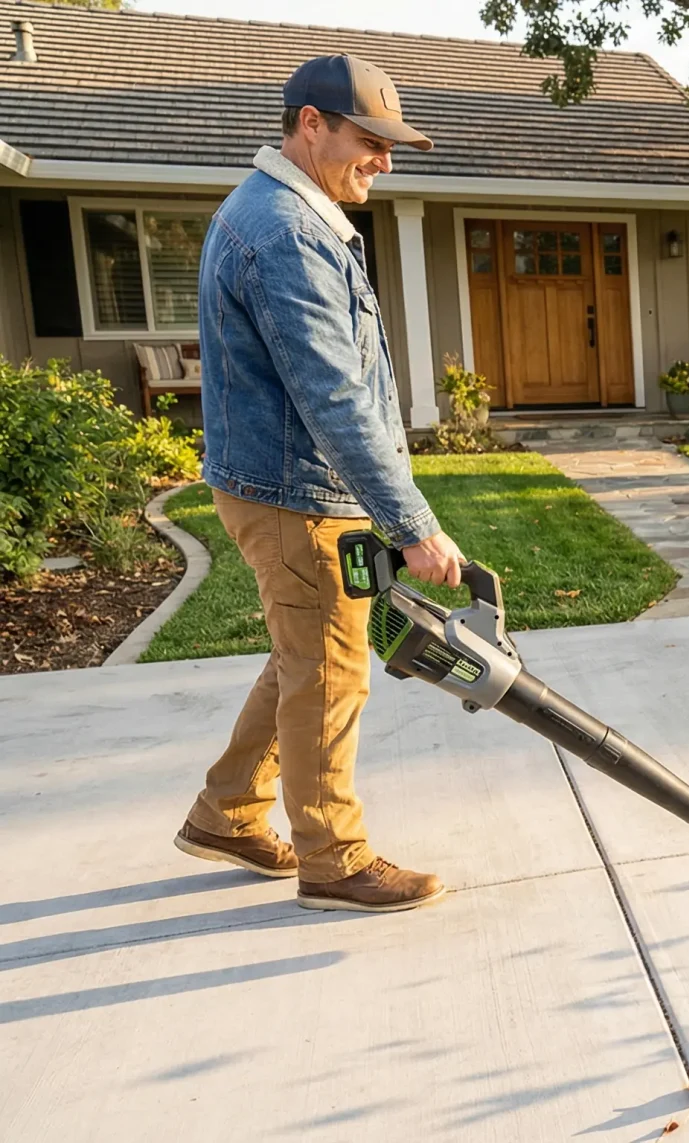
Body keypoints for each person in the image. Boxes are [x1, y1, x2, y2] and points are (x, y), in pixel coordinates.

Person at [173, 55, 463, 913]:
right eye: (370, 140)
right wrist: (411, 522)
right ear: (311, 124)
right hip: (298, 490)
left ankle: (227, 810)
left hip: (283, 481)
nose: (384, 159)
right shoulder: (287, 232)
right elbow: (331, 393)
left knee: (305, 658)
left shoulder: (285, 213)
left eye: (390, 144)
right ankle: (332, 856)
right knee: (331, 670)